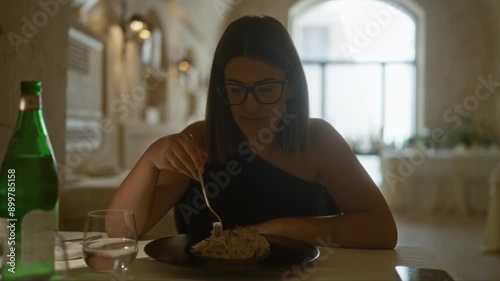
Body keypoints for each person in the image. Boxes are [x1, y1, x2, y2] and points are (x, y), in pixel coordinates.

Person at [108, 14, 397, 249]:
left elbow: (382, 230)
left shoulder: (318, 140)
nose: (251, 104)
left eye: (266, 88)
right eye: (237, 89)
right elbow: (119, 233)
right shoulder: (199, 140)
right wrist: (149, 160)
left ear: (291, 87)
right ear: (221, 91)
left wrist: (284, 228)